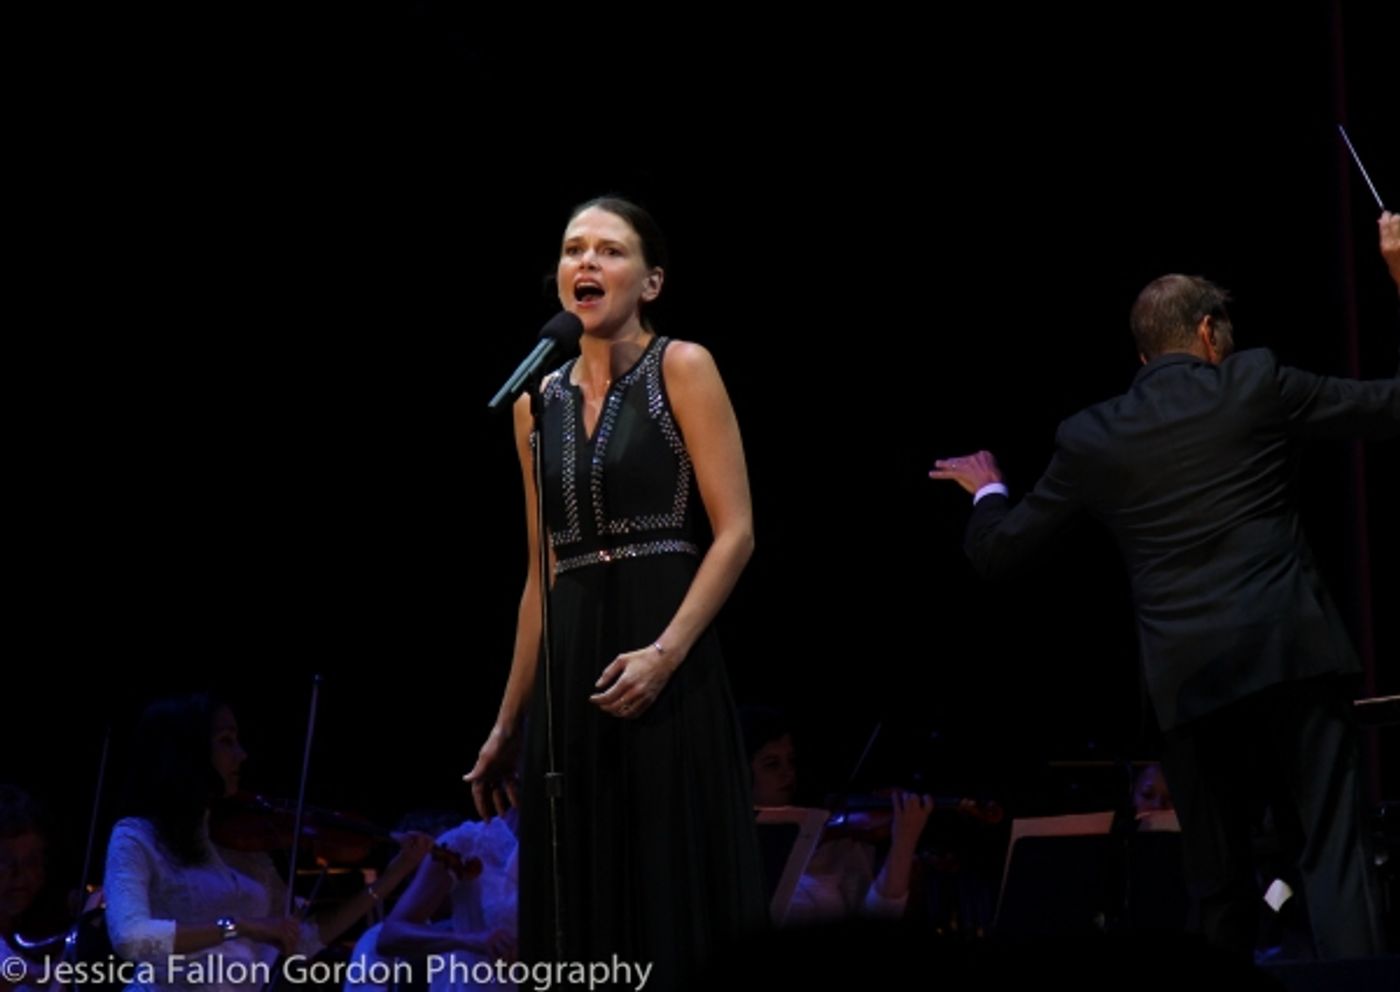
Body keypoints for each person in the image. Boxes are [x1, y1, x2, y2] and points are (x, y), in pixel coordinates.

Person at [929, 225, 1399, 959]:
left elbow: (1000, 554)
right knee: (1333, 856)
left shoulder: (1094, 435)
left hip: (1192, 684)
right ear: (1209, 333)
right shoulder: (1258, 382)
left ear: (1144, 355)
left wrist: (988, 488)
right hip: (1292, 656)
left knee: (1219, 883)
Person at [464, 196, 767, 987]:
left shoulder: (683, 367)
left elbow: (735, 532)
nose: (587, 264)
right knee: (577, 881)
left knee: (666, 874)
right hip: (572, 664)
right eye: (573, 250)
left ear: (652, 281)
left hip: (662, 647)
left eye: (609, 250)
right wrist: (508, 720)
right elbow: (542, 570)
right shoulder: (536, 401)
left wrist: (666, 655)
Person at [102, 694, 432, 992]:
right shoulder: (137, 836)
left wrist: (395, 873)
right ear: (187, 753)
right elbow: (131, 938)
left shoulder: (241, 841)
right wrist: (240, 926)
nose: (241, 755)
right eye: (226, 741)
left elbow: (303, 939)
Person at [743, 708, 933, 925]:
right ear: (741, 771)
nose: (788, 773)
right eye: (772, 764)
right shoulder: (738, 851)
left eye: (791, 761)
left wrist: (904, 842)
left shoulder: (837, 846)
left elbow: (879, 917)